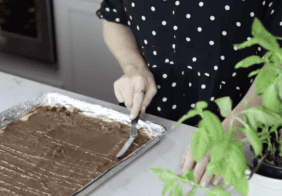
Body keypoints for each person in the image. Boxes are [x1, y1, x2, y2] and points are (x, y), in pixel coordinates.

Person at [96, 0, 282, 188]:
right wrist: (134, 68)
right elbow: (114, 18)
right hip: (149, 121)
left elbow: (278, 62)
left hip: (236, 140)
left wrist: (231, 131)